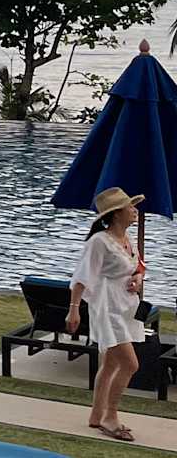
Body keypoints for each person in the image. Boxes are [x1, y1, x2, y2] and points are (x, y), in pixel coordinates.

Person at [69, 186, 149, 441]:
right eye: (130, 206)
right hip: (108, 308)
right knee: (130, 364)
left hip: (126, 307)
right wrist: (74, 310)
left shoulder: (127, 240)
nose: (135, 210)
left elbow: (136, 268)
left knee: (111, 363)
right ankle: (110, 417)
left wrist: (137, 279)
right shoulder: (99, 242)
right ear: (116, 213)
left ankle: (96, 415)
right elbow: (82, 277)